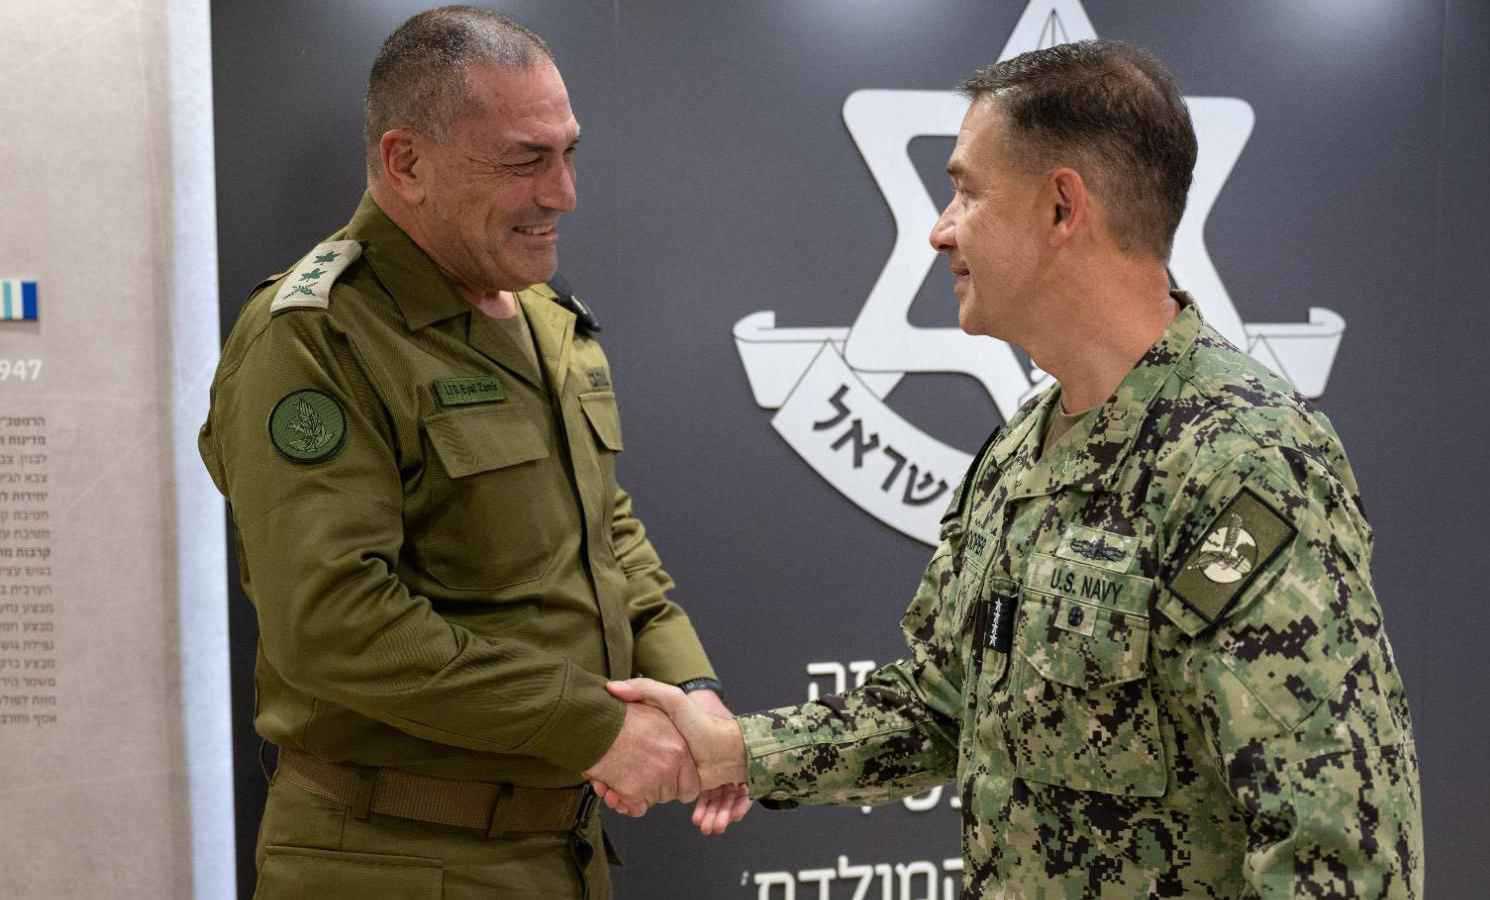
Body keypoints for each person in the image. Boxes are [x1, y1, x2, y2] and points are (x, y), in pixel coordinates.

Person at [604, 40, 1425, 898]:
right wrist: (732, 751)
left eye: (966, 191)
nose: (940, 229)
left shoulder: (1242, 463)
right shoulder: (1021, 450)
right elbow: (941, 705)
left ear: (1062, 207)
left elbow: (1338, 854)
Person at [197, 7, 745, 898]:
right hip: (395, 860)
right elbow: (334, 621)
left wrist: (691, 689)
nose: (563, 193)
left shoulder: (545, 319)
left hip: (560, 850)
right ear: (406, 163)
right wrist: (595, 727)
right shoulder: (315, 336)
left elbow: (604, 533)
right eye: (526, 160)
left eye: (568, 153)